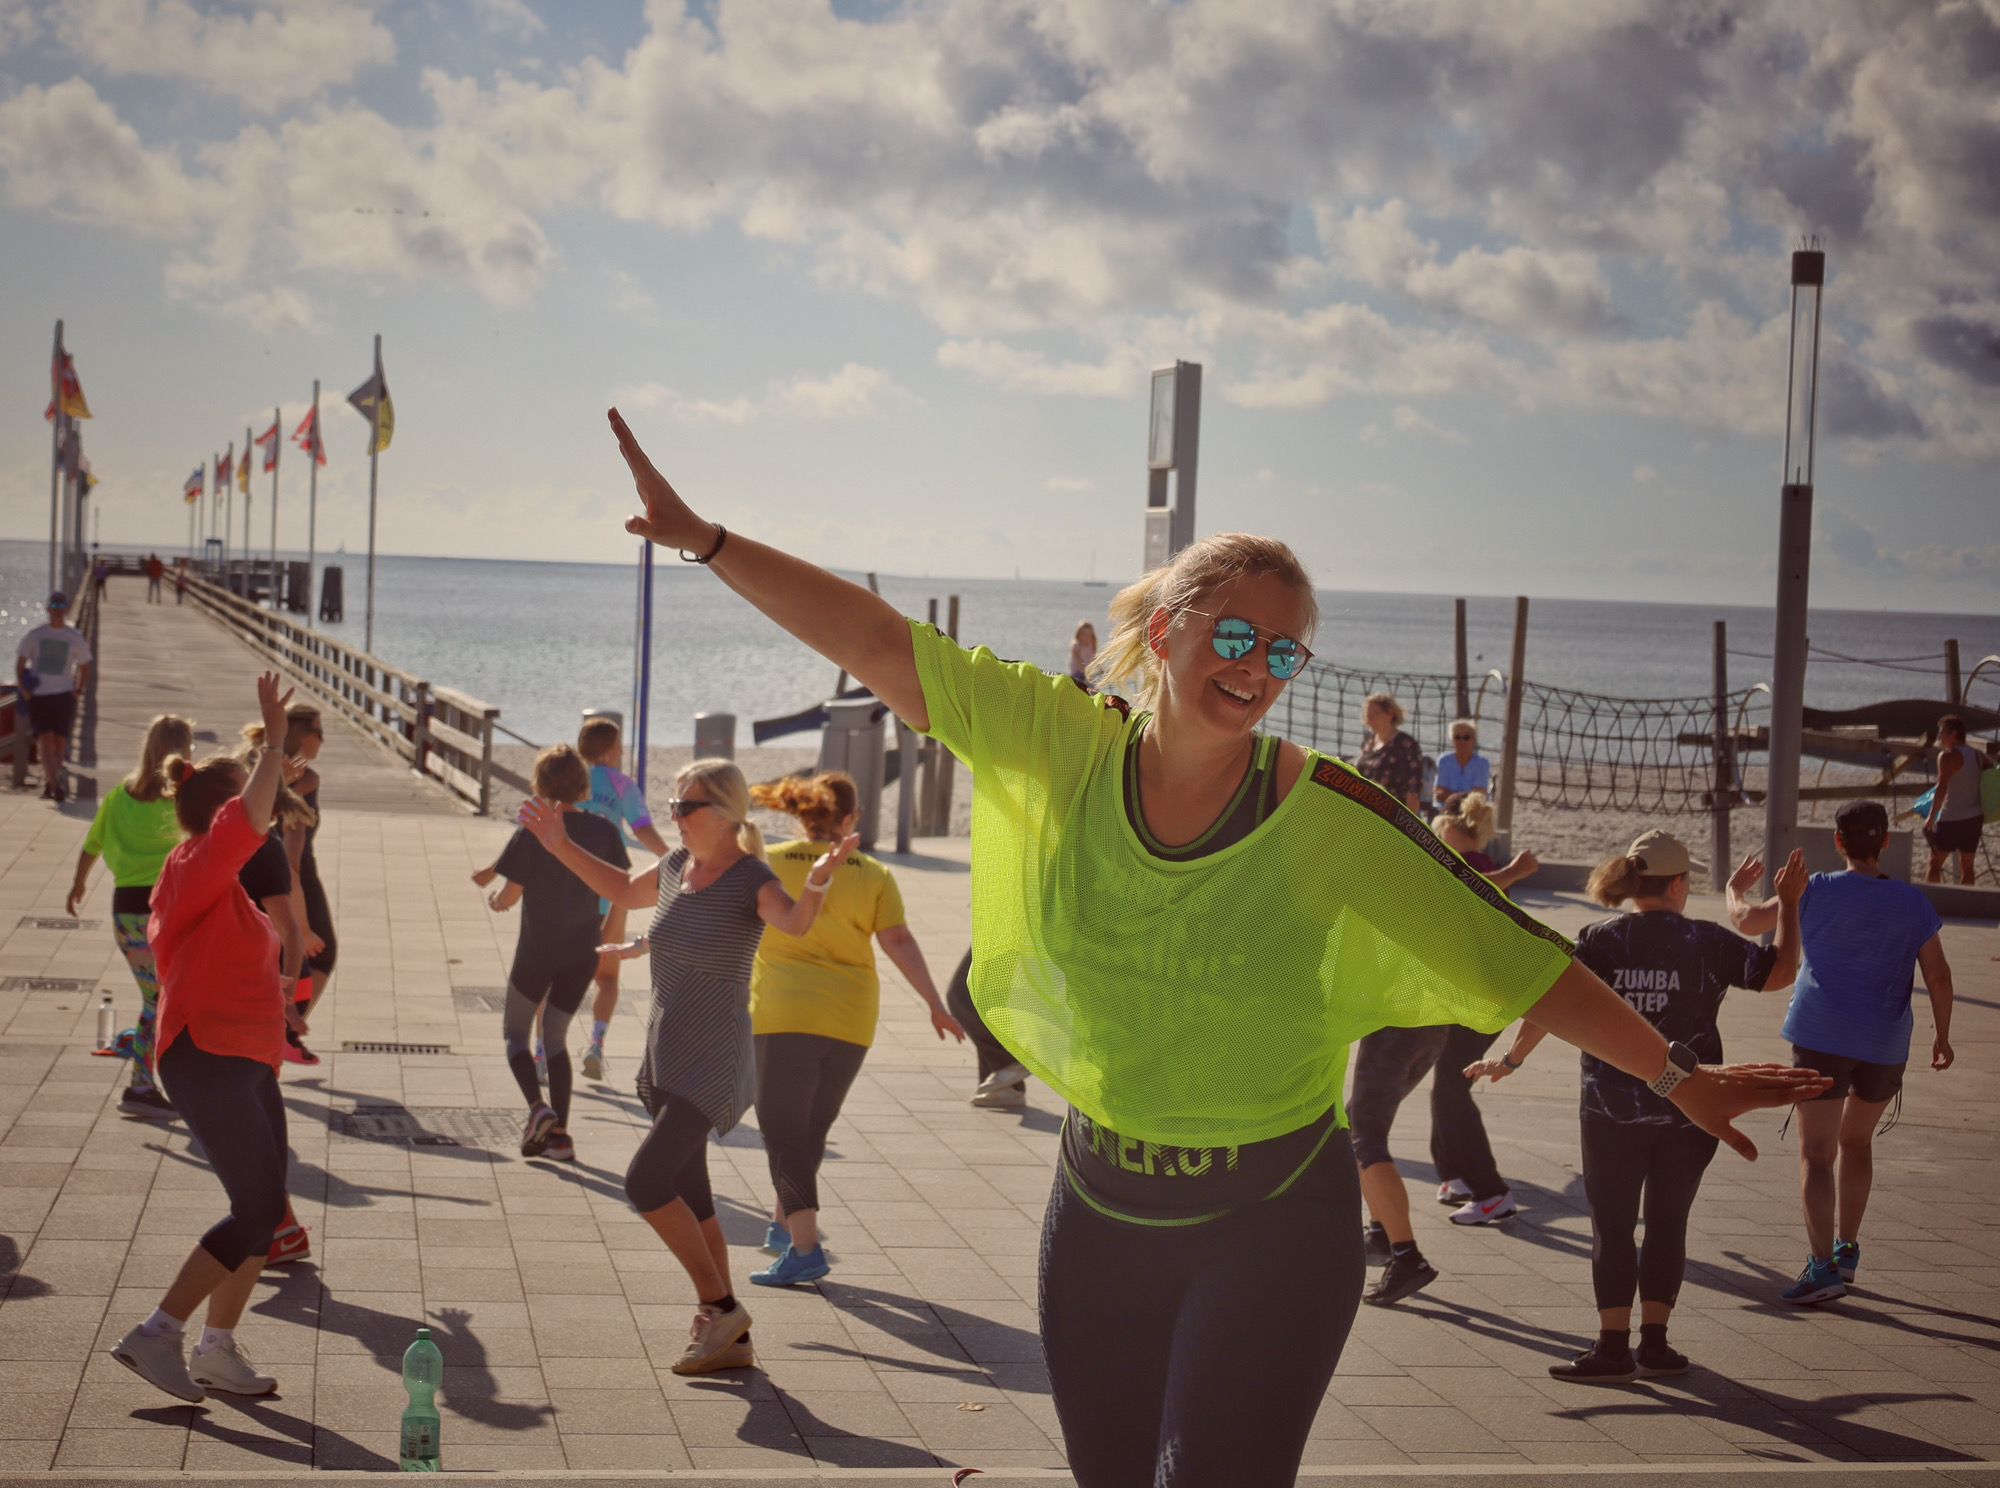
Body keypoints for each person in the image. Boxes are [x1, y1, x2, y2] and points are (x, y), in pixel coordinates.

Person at [592, 405, 1826, 1483]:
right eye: (1235, 637)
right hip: (1098, 1207)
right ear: (1170, 628)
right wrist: (706, 539)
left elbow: (1521, 958)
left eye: (1283, 652)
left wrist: (1678, 1073)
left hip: (1272, 1216)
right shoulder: (1061, 743)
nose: (1258, 670)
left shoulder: (1330, 814)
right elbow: (872, 641)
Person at [518, 757, 854, 1375]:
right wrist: (558, 843)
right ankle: (732, 1341)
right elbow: (620, 889)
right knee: (696, 1200)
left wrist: (819, 882)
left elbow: (797, 924)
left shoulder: (750, 877)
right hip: (667, 1048)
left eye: (685, 806)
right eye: (671, 804)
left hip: (717, 1056)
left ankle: (720, 1305)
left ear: (725, 815)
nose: (673, 816)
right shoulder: (677, 868)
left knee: (646, 1182)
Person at [1468, 831, 1805, 1381]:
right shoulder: (1706, 940)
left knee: (1613, 1225)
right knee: (1669, 1222)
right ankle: (1655, 1344)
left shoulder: (1599, 939)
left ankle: (1610, 1346)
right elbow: (1782, 973)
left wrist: (1510, 1061)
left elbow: (1553, 1007)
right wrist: (1788, 905)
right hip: (1690, 1109)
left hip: (1608, 1107)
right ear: (1677, 885)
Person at [109, 672, 306, 1402]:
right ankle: (158, 1333)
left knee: (266, 1205)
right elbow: (245, 820)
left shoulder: (218, 883)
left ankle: (217, 1349)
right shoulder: (195, 864)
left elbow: (231, 957)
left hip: (246, 1057)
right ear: (222, 813)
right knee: (254, 1208)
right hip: (209, 1057)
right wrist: (274, 740)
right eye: (246, 795)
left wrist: (281, 1001)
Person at [1732, 800, 1956, 1306]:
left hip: (1822, 1034)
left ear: (1838, 841)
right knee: (1857, 1143)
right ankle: (1847, 1249)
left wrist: (1733, 891)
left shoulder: (1815, 890)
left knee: (1817, 1155)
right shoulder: (1913, 903)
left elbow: (1748, 923)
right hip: (1884, 1041)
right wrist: (1943, 1036)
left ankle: (1821, 1269)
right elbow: (1938, 975)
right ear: (1885, 844)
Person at [746, 771, 963, 1286]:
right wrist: (935, 1003)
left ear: (802, 813)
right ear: (851, 820)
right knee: (810, 1130)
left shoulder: (769, 864)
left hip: (785, 1012)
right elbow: (900, 941)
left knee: (783, 1132)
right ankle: (784, 1227)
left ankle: (804, 1247)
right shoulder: (873, 874)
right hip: (851, 1018)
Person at [474, 745, 628, 1162]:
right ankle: (560, 1137)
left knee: (515, 1034)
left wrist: (498, 903)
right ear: (581, 785)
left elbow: (511, 891)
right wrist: (611, 927)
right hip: (583, 948)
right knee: (556, 1037)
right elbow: (620, 887)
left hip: (538, 949)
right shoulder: (604, 831)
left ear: (540, 784)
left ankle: (537, 1107)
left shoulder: (533, 831)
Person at [65, 713, 193, 1112]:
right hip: (166, 912)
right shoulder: (184, 796)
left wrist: (79, 884)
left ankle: (155, 1081)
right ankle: (141, 1086)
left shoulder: (121, 795)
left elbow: (92, 845)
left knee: (158, 998)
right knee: (163, 1000)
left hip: (126, 912)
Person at [1425, 792, 1539, 1225]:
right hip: (1473, 991)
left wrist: (1516, 871)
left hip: (1487, 994)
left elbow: (1476, 893)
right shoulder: (1480, 865)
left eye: (1439, 831)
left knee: (1451, 1086)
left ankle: (1491, 1193)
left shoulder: (1474, 867)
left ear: (1453, 830)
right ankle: (1454, 1174)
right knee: (1446, 1083)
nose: (1434, 837)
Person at [233, 745, 316, 1263]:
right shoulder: (228, 846)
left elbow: (285, 923)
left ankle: (275, 1226)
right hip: (229, 996)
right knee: (249, 1122)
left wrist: (286, 989)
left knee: (251, 1120)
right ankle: (278, 1225)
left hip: (245, 1000)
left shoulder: (257, 850)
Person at [572, 717, 670, 1080]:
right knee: (608, 977)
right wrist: (673, 858)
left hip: (568, 885)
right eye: (620, 745)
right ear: (613, 750)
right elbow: (642, 828)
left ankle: (539, 1053)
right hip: (610, 889)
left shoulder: (569, 779)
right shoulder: (622, 784)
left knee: (552, 974)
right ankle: (596, 1045)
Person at [246, 704, 335, 1063]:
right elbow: (293, 862)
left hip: (258, 875)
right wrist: (303, 924)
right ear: (301, 735)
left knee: (274, 959)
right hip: (291, 881)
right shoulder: (305, 781)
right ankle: (283, 1033)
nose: (323, 739)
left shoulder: (265, 772)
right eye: (318, 731)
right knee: (320, 954)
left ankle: (279, 1033)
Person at [15, 591, 93, 803]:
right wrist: (24, 689)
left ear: (66, 611)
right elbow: (21, 663)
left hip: (64, 695)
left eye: (61, 609)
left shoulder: (73, 636)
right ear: (48, 610)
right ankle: (56, 785)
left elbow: (86, 665)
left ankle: (51, 783)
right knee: (45, 740)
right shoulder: (36, 635)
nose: (57, 613)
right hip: (40, 695)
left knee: (60, 743)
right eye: (54, 609)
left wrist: (79, 689)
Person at [945, 947, 1030, 1109]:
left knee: (962, 995)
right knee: (986, 994)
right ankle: (1005, 1088)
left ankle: (1012, 1061)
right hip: (1002, 926)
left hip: (1009, 926)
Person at [1923, 714, 1984, 885]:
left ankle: (1931, 904)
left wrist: (1931, 816)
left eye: (1942, 732)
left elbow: (1942, 787)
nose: (1939, 737)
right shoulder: (1977, 754)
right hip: (1974, 818)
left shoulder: (1947, 756)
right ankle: (1967, 907)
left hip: (1951, 819)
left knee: (1934, 865)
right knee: (1968, 867)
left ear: (1954, 733)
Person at [1356, 690, 1423, 814]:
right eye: (1367, 714)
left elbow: (1413, 790)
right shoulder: (1368, 743)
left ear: (1390, 714)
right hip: (1363, 808)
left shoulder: (1406, 745)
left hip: (1392, 814)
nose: (1370, 719)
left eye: (1376, 714)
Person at [1433, 718, 1491, 813]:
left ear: (1474, 740)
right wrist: (1466, 798)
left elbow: (1480, 795)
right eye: (1457, 737)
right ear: (1452, 740)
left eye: (1466, 737)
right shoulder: (1444, 760)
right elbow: (1439, 794)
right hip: (1446, 810)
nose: (1461, 741)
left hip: (1472, 812)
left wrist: (1452, 798)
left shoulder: (1482, 763)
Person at [1067, 621, 1098, 688]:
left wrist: (1100, 667)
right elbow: (1079, 661)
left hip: (1089, 673)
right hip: (1078, 673)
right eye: (1084, 634)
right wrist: (1085, 672)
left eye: (1089, 635)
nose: (1086, 637)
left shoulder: (1091, 645)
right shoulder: (1076, 645)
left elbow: (1094, 658)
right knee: (1083, 687)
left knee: (1095, 688)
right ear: (1079, 634)